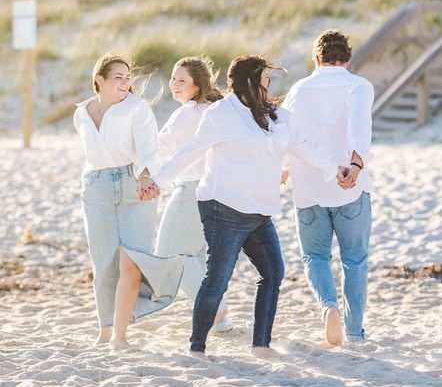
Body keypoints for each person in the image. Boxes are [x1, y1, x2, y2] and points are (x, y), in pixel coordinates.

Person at [151, 55, 348, 356]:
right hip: (223, 208)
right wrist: (158, 179)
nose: (270, 84)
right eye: (266, 79)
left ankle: (260, 346)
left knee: (272, 273)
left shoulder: (277, 117)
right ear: (249, 82)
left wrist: (335, 170)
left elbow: (305, 146)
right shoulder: (220, 114)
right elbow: (190, 151)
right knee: (217, 277)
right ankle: (197, 347)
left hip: (260, 211)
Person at [74, 53, 184, 348]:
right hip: (95, 188)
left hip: (135, 186)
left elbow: (149, 146)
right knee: (104, 264)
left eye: (127, 77)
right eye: (117, 77)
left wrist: (147, 176)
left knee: (132, 262)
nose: (125, 82)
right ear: (100, 81)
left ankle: (120, 335)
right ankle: (106, 329)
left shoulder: (137, 108)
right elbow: (91, 155)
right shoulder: (81, 112)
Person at [282, 30, 374, 346]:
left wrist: (281, 168)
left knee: (315, 257)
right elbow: (361, 130)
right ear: (347, 59)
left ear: (316, 59)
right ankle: (354, 332)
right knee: (355, 261)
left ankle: (328, 308)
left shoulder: (298, 88)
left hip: (308, 188)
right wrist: (356, 168)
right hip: (350, 186)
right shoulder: (359, 86)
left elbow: (287, 133)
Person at [153, 57, 230, 332]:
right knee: (196, 256)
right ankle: (219, 321)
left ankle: (217, 309)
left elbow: (158, 148)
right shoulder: (215, 109)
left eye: (181, 81)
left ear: (197, 87)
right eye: (173, 78)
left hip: (189, 190)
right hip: (214, 192)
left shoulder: (189, 113)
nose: (174, 85)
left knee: (169, 255)